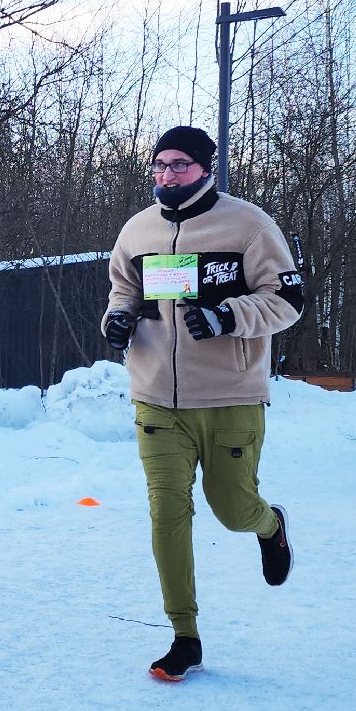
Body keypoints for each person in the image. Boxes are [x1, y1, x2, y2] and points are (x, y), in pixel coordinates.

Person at [101, 126, 305, 682]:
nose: (166, 175)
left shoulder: (248, 225)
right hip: (155, 400)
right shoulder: (137, 230)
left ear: (207, 168)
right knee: (168, 512)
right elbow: (124, 289)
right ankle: (184, 636)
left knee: (232, 510)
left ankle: (269, 526)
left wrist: (227, 316)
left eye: (179, 165)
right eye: (160, 165)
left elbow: (287, 300)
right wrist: (118, 320)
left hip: (229, 396)